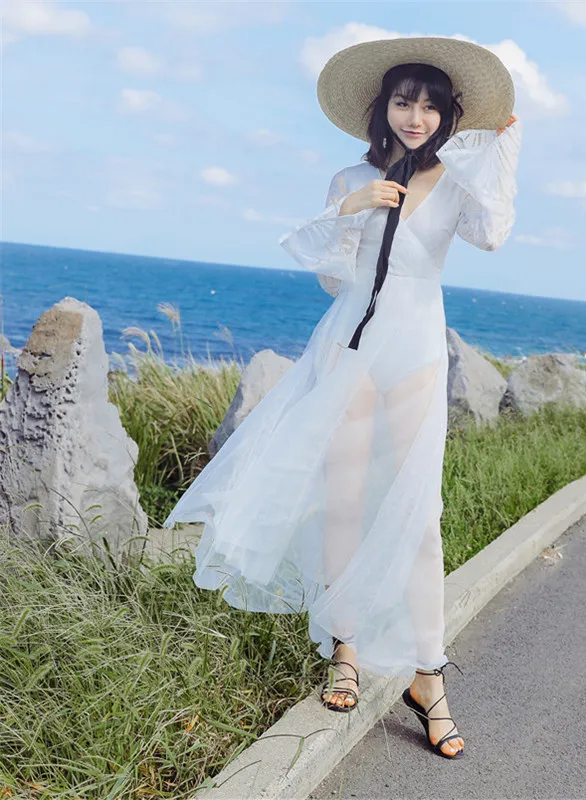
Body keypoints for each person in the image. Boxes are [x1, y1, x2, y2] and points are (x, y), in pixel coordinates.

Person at [162, 36, 522, 760]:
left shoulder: (456, 181)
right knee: (345, 502)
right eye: (403, 102)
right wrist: (353, 207)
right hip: (349, 348)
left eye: (430, 106)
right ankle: (345, 650)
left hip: (416, 349)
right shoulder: (351, 176)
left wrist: (505, 153)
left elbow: (493, 235)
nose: (415, 117)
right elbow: (333, 276)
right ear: (382, 107)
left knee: (421, 516)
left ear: (449, 115)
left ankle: (429, 677)